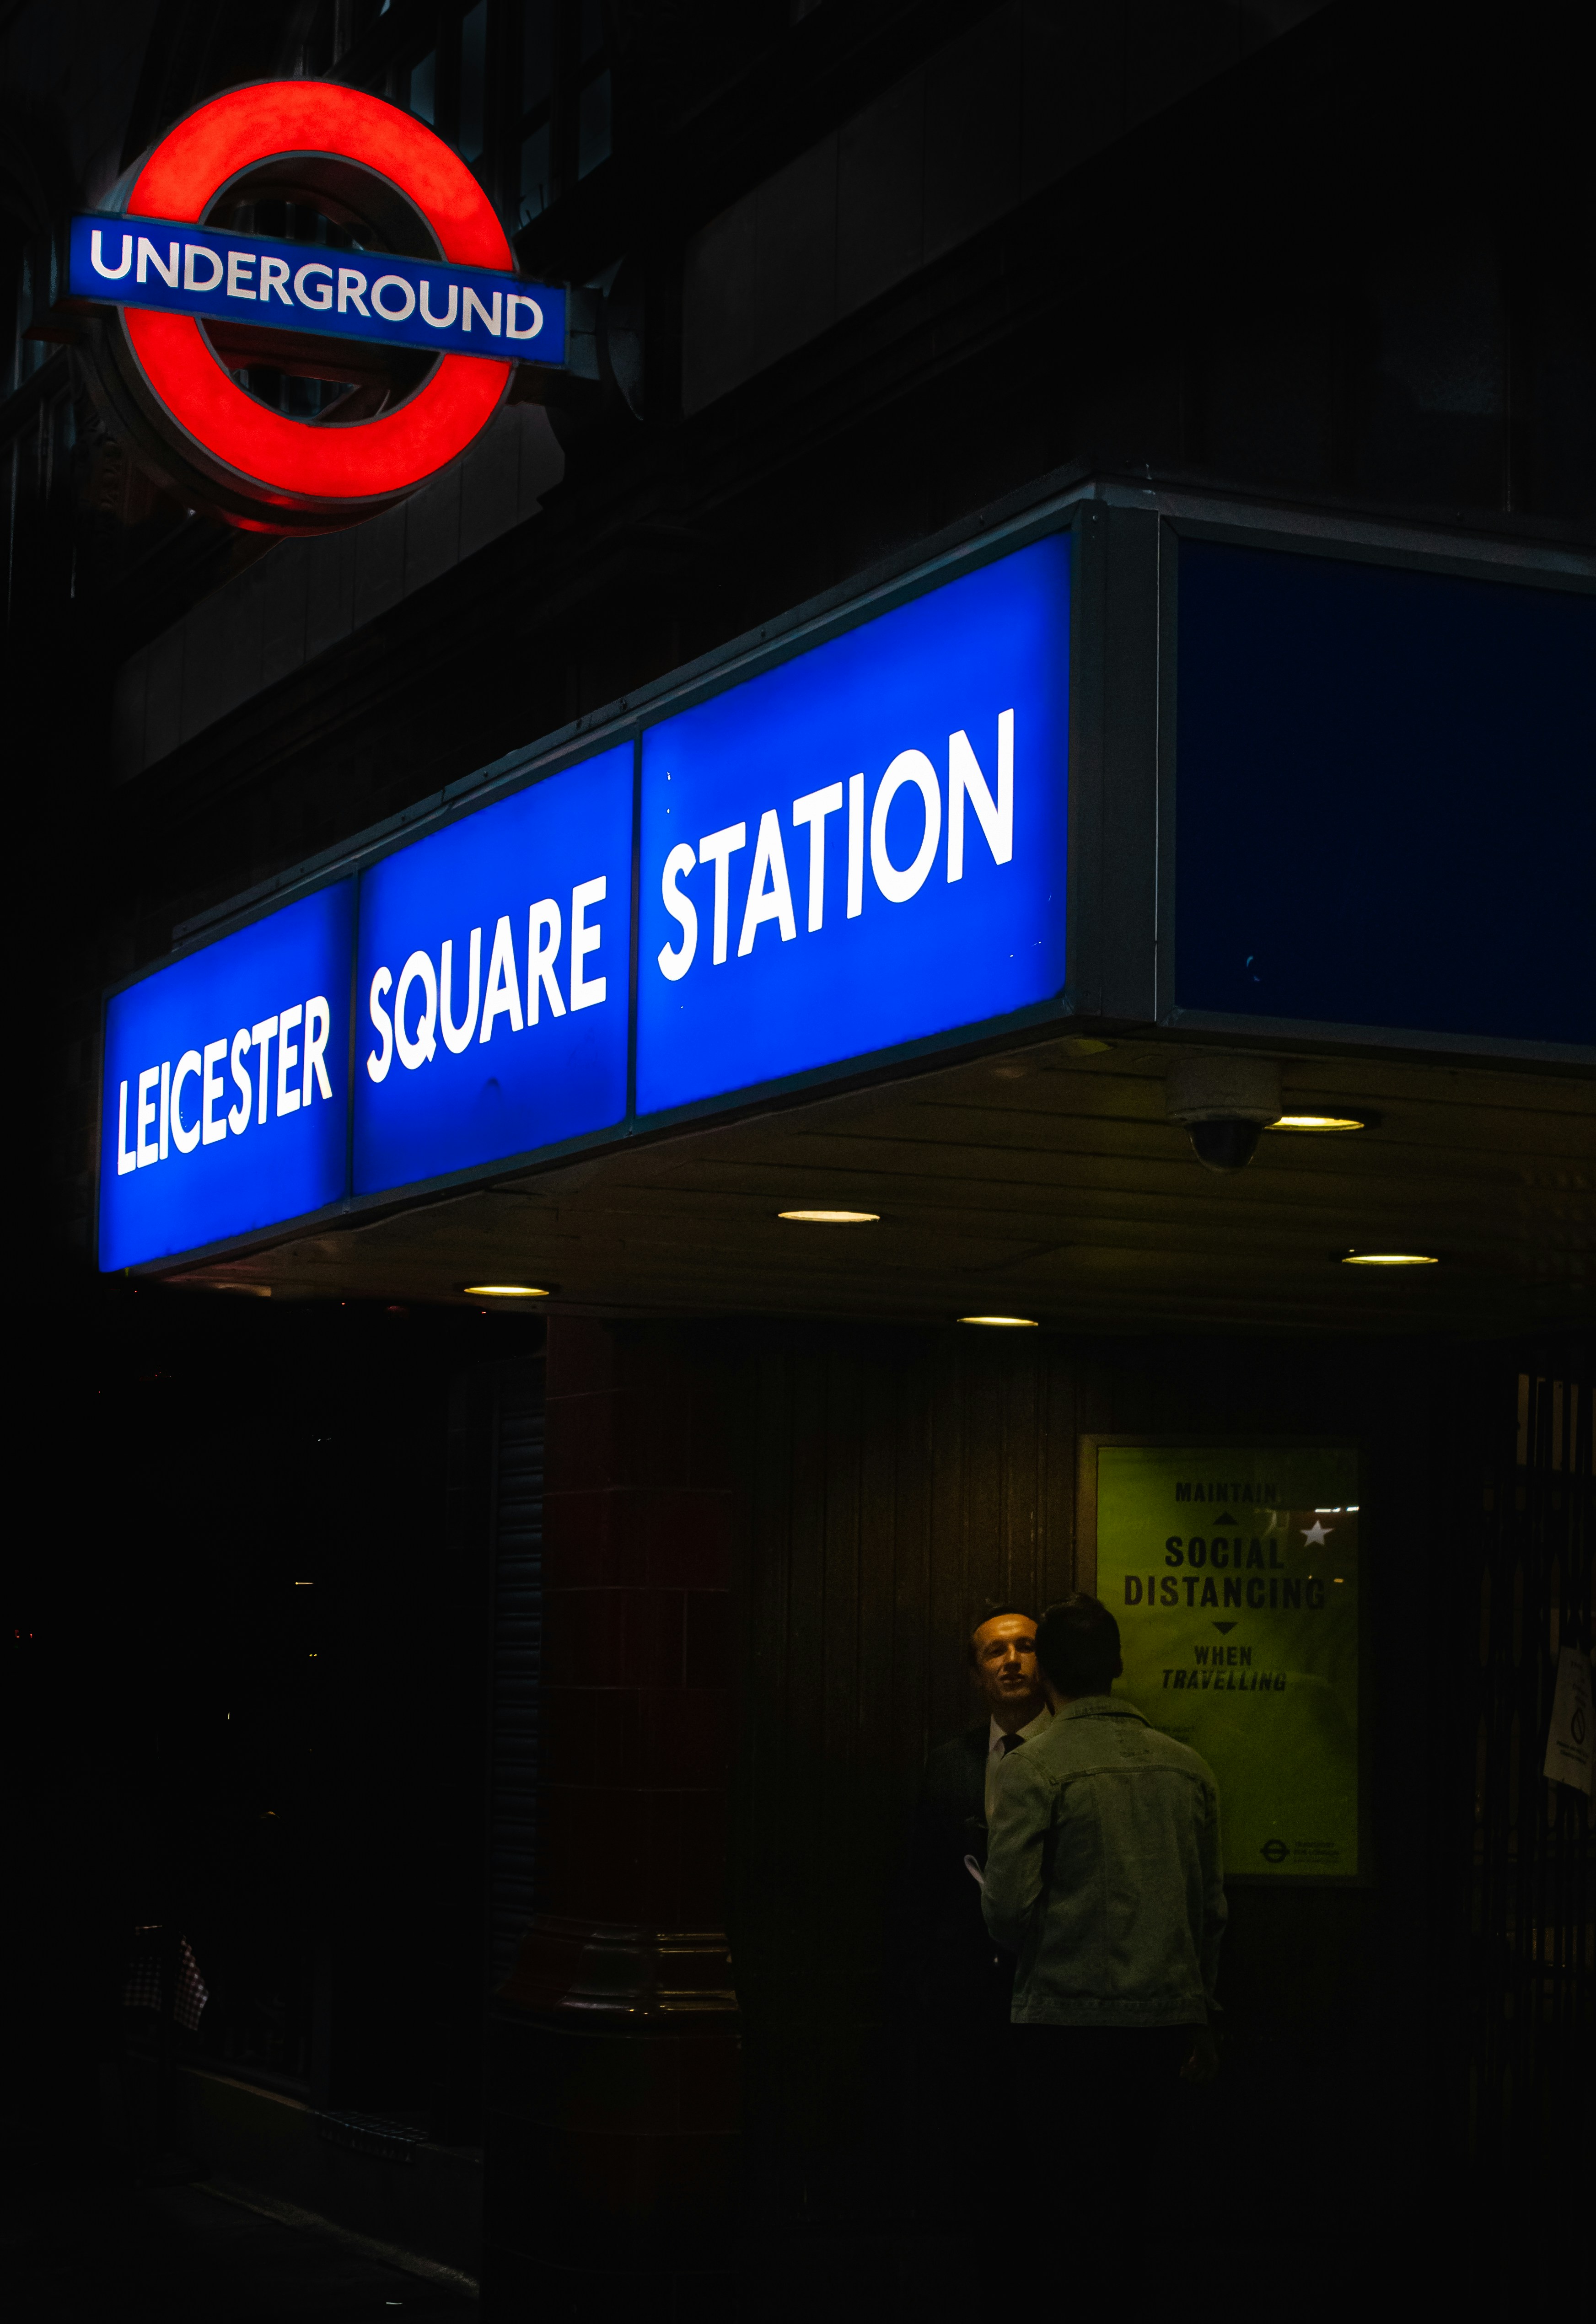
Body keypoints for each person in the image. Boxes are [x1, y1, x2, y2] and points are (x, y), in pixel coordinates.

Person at [982, 1593, 1225, 2206]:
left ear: (1046, 1672)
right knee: (1143, 2191)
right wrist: (1198, 2010)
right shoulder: (1188, 1767)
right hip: (1165, 2017)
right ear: (1116, 1663)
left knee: (1070, 2195)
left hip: (1061, 2022)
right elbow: (1210, 1909)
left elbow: (1005, 1910)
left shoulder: (1032, 1767)